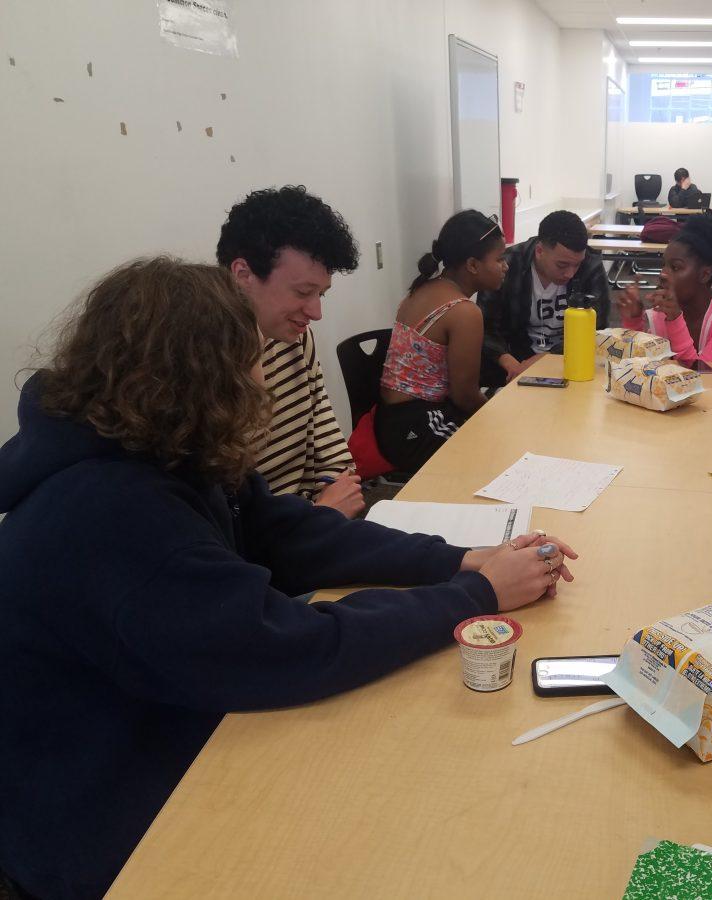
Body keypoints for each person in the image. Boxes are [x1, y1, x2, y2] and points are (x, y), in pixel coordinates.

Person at [0, 258, 577, 899]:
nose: (262, 374)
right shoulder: (113, 514)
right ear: (201, 375)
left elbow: (293, 533)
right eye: (251, 356)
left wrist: (461, 558)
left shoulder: (161, 447)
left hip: (161, 718)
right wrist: (478, 596)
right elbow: (289, 645)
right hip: (102, 819)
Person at [216, 185, 364, 518]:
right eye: (303, 292)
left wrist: (332, 494)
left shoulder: (295, 340)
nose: (315, 312)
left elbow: (332, 450)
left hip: (310, 527)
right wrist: (321, 514)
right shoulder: (207, 367)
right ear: (243, 274)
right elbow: (229, 516)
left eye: (321, 295)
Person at [375, 211, 507, 473]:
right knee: (502, 450)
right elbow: (465, 396)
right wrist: (499, 415)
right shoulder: (464, 311)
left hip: (391, 419)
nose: (506, 266)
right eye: (500, 259)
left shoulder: (422, 288)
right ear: (472, 265)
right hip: (417, 426)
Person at [478, 210, 610, 388]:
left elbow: (597, 328)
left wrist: (544, 358)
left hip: (572, 359)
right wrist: (510, 362)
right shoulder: (508, 266)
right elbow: (485, 326)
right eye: (562, 265)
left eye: (577, 264)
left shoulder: (591, 265)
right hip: (516, 357)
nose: (570, 274)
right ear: (540, 251)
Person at [614, 215, 712, 365]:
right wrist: (633, 321)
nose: (663, 274)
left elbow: (701, 376)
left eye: (675, 267)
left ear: (705, 274)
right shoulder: (663, 313)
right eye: (664, 264)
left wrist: (675, 320)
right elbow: (640, 366)